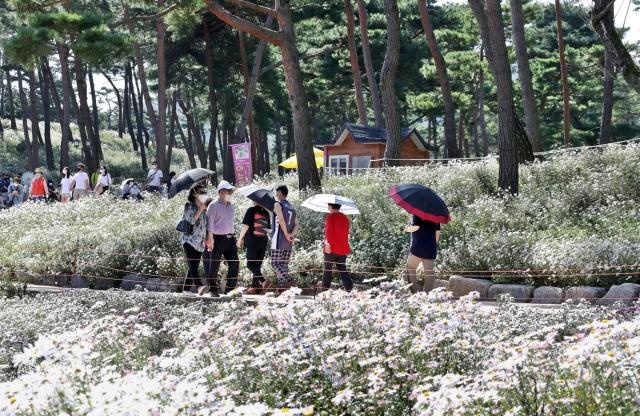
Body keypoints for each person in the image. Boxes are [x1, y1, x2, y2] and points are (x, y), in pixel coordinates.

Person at [203, 180, 238, 297]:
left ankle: (230, 290)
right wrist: (210, 238)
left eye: (230, 191)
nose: (230, 192)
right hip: (217, 239)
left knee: (235, 264)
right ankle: (213, 290)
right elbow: (210, 224)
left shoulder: (232, 204)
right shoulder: (213, 205)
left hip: (230, 238)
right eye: (228, 191)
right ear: (221, 192)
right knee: (214, 266)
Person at [264, 185, 299, 293]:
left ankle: (291, 280)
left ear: (279, 192)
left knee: (275, 263)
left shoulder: (277, 204)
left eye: (276, 192)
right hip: (288, 242)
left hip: (278, 238)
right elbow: (297, 224)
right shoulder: (291, 207)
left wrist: (286, 234)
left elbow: (281, 220)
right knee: (283, 265)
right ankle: (280, 290)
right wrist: (291, 235)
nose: (276, 194)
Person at [180, 185, 210, 293]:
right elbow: (191, 220)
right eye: (200, 192)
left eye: (204, 192)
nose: (203, 193)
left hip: (199, 242)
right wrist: (201, 208)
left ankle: (186, 290)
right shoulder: (189, 206)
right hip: (189, 240)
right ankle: (199, 286)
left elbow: (206, 225)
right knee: (192, 264)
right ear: (194, 194)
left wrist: (208, 238)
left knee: (193, 266)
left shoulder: (205, 208)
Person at [238, 201, 271, 294]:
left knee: (250, 265)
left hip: (253, 242)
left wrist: (240, 239)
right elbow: (266, 228)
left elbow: (245, 226)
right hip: (263, 242)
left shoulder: (251, 210)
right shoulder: (266, 212)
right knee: (256, 267)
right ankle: (254, 287)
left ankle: (263, 281)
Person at [321, 203, 353, 292]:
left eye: (328, 205)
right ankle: (349, 289)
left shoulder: (330, 217)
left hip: (331, 248)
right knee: (342, 269)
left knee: (327, 270)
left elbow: (328, 232)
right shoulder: (345, 217)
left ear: (331, 206)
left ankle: (324, 292)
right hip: (343, 248)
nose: (327, 207)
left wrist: (327, 245)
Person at [405, 215, 441, 293]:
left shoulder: (418, 213)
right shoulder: (436, 215)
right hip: (431, 249)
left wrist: (407, 228)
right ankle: (428, 294)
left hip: (417, 248)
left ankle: (415, 293)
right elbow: (437, 235)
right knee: (429, 273)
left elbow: (415, 227)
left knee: (410, 268)